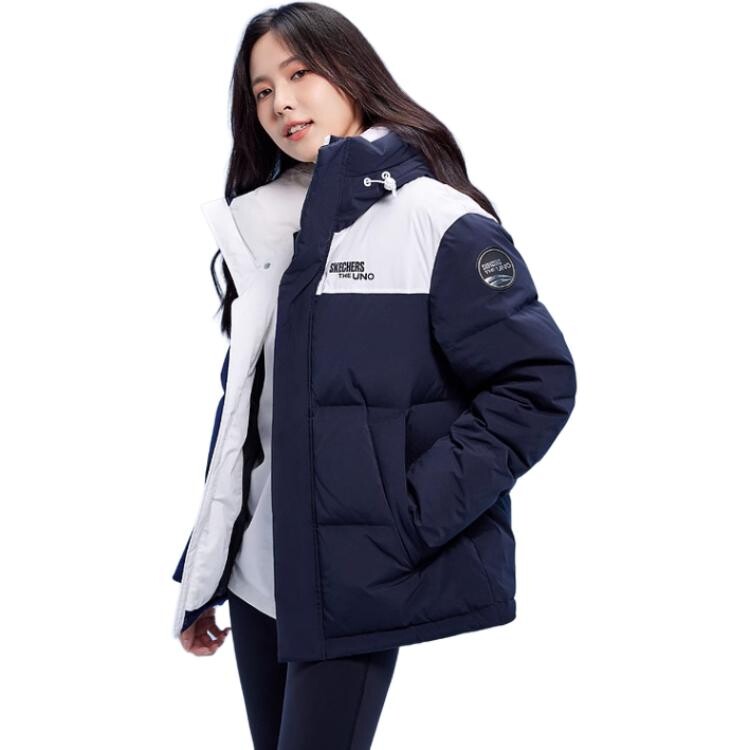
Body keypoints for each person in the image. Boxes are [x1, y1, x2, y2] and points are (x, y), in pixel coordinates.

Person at [171, 3, 577, 748]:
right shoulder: (260, 228)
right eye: (262, 90)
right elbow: (246, 418)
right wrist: (209, 567)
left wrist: (406, 516)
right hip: (258, 577)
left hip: (353, 576)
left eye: (300, 73)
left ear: (352, 72)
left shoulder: (435, 220)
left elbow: (535, 383)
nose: (282, 102)